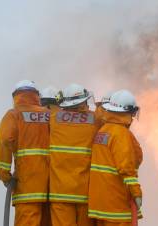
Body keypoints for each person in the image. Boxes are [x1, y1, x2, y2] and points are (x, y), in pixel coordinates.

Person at [0, 80, 51, 226]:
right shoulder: (50, 114)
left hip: (27, 186)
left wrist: (5, 175)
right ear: (36, 95)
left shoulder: (14, 115)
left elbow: (4, 142)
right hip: (53, 187)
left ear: (15, 96)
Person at [88, 90, 144, 226]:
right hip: (116, 203)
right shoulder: (121, 134)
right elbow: (126, 167)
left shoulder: (103, 131)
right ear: (127, 111)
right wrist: (136, 192)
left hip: (100, 203)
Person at [49, 83, 98, 226]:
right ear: (83, 102)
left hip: (60, 192)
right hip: (85, 192)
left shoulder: (53, 119)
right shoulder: (94, 119)